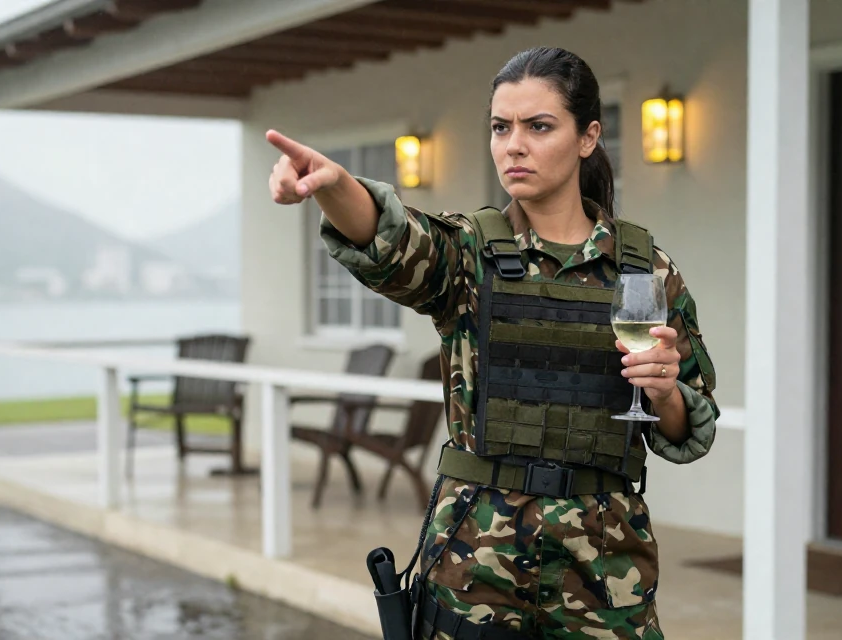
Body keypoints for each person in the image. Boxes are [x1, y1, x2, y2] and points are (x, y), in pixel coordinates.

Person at [266, 47, 718, 640]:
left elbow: (694, 424)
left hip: (606, 573)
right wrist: (333, 185)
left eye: (539, 126)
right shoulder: (468, 255)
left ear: (588, 137)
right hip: (475, 567)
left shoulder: (644, 271)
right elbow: (393, 238)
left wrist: (664, 395)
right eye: (501, 127)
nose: (514, 145)